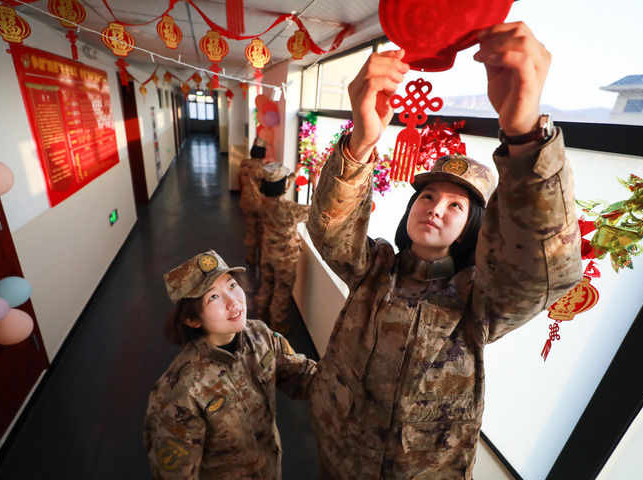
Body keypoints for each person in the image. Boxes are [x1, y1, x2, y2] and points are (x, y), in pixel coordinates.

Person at [305, 22, 582, 479]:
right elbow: (329, 230)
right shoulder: (375, 268)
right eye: (428, 196)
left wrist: (526, 138)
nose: (435, 208)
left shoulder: (478, 300)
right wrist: (361, 142)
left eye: (456, 205)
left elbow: (543, 269)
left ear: (473, 226)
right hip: (339, 455)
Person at [144, 250, 316, 479]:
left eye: (232, 285)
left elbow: (303, 376)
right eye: (213, 297)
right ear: (192, 319)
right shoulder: (180, 392)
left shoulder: (260, 335)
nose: (233, 302)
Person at [254, 163, 310, 333]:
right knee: (282, 290)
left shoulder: (261, 200)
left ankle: (261, 315)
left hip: (267, 252)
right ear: (281, 185)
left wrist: (294, 174)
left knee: (267, 284)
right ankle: (277, 324)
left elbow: (276, 187)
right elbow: (315, 212)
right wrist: (315, 185)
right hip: (285, 258)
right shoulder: (289, 208)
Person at [239, 137, 267, 265]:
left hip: (246, 201)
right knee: (261, 230)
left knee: (250, 229)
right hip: (259, 203)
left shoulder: (244, 164)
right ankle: (261, 257)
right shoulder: (262, 168)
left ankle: (250, 256)